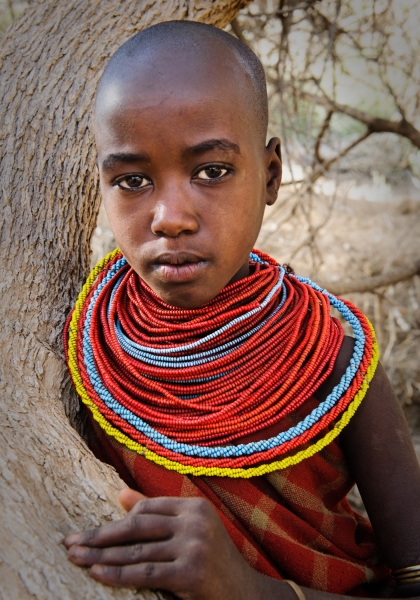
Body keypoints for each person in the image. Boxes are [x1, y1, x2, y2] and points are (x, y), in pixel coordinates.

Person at [63, 20, 420, 600]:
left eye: (212, 171)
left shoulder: (333, 354)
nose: (170, 217)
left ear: (271, 174)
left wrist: (252, 590)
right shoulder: (86, 345)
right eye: (132, 180)